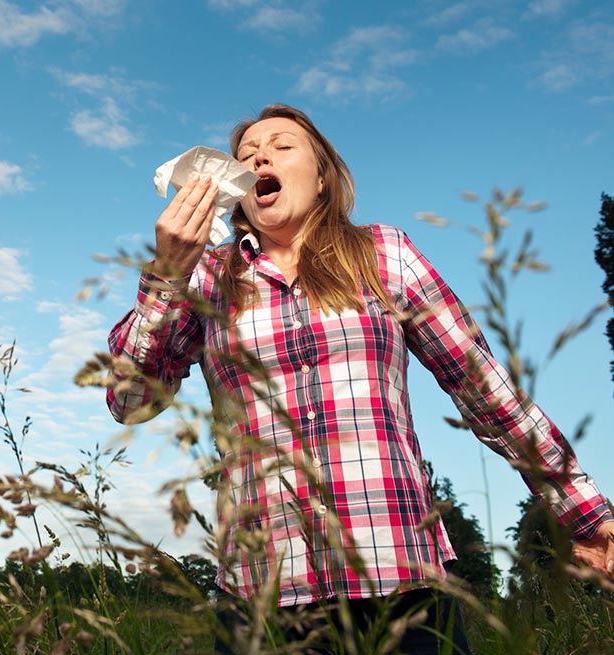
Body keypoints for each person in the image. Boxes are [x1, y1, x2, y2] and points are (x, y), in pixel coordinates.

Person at [106, 104, 614, 654]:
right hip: (265, 595)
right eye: (246, 152)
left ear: (323, 177)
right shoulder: (206, 277)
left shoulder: (384, 254)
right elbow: (129, 400)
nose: (259, 155)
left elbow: (487, 392)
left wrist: (583, 514)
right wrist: (166, 274)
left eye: (281, 145)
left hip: (399, 581)